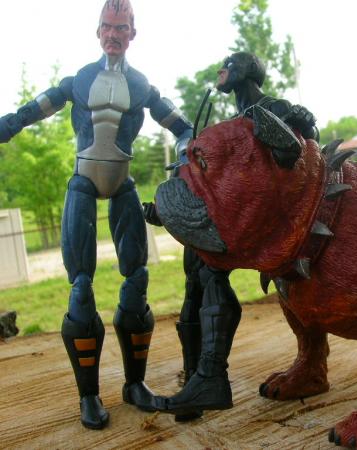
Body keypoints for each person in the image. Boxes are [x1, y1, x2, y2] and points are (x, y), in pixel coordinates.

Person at [0, 0, 192, 430]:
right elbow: (27, 113)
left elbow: (182, 127)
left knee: (137, 281)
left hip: (122, 182)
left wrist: (186, 153)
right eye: (107, 26)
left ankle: (135, 384)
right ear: (98, 30)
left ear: (132, 34)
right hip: (83, 183)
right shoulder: (79, 81)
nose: (113, 34)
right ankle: (88, 395)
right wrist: (5, 128)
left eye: (121, 27)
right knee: (81, 287)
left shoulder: (142, 86)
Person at [150, 51, 319, 420]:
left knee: (210, 272)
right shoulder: (228, 124)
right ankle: (195, 381)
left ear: (249, 70)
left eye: (230, 62)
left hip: (259, 222)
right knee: (194, 283)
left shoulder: (273, 107)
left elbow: (305, 146)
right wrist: (167, 209)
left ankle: (210, 376)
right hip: (225, 216)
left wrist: (305, 122)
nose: (221, 68)